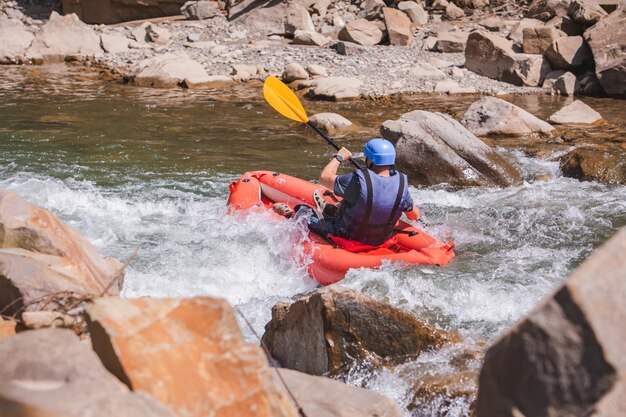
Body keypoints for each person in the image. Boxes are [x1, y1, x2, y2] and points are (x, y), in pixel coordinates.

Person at [310, 138, 420, 246]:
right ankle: (332, 210)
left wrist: (339, 157)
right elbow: (414, 216)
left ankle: (327, 212)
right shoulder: (400, 185)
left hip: (346, 234)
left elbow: (324, 178)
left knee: (303, 212)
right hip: (379, 240)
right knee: (357, 200)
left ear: (370, 160)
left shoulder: (357, 181)